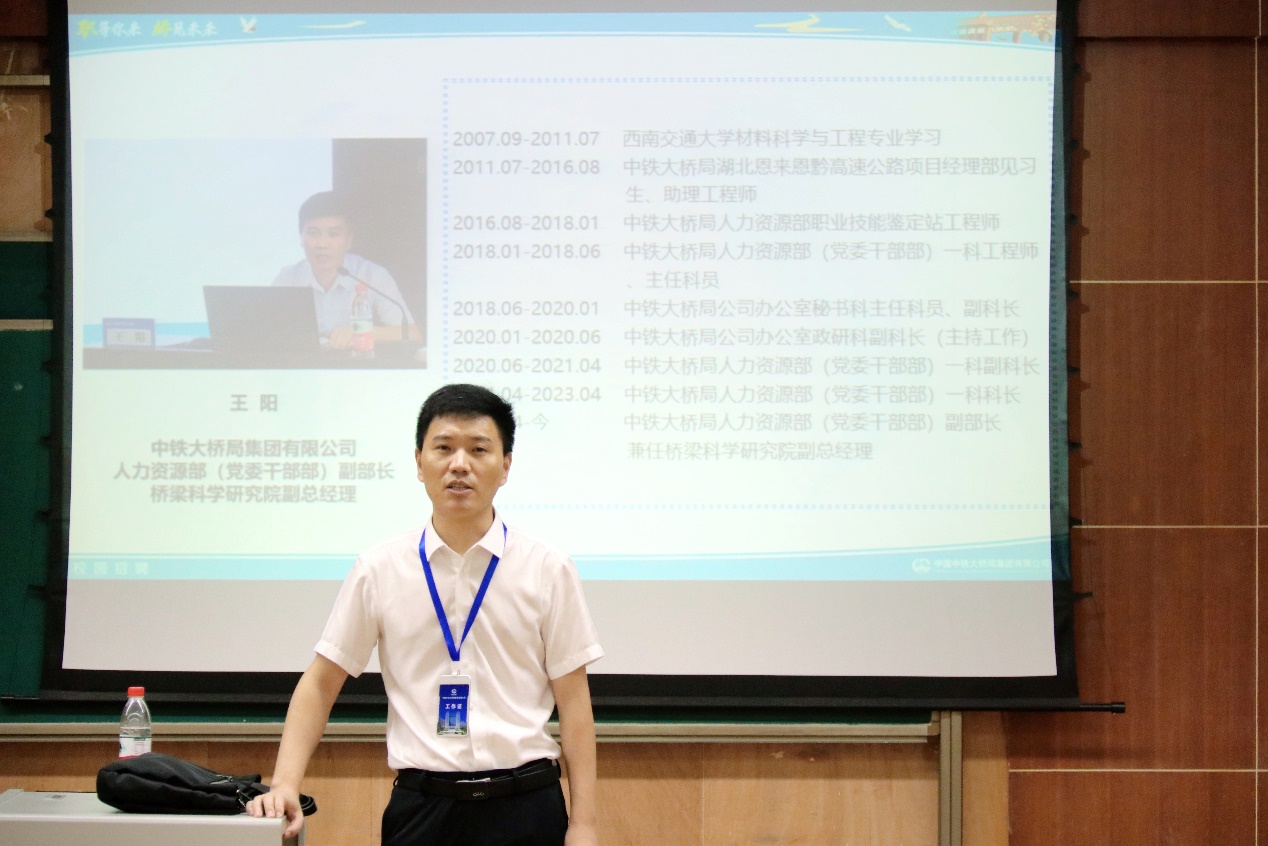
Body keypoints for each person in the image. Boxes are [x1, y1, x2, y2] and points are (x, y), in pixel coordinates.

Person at [246, 384, 603, 845]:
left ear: (506, 466)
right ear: (419, 462)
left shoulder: (548, 568)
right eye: (444, 448)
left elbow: (574, 703)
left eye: (479, 449)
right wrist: (284, 783)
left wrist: (584, 824)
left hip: (527, 806)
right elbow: (320, 682)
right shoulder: (379, 569)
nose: (460, 464)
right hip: (422, 809)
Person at [272, 190, 419, 348]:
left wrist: (364, 331)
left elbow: (413, 333)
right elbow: (268, 332)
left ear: (349, 240)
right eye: (313, 234)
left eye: (333, 234)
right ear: (301, 238)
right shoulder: (288, 277)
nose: (322, 244)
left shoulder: (371, 275)